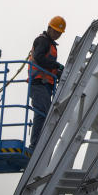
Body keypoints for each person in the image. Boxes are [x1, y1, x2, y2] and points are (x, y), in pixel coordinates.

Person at [28, 15, 66, 150]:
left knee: (45, 113)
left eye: (59, 33)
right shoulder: (42, 41)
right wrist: (56, 65)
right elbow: (39, 58)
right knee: (42, 112)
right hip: (39, 83)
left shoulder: (50, 44)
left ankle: (39, 145)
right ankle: (36, 146)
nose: (57, 35)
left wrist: (62, 73)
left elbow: (49, 66)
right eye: (55, 31)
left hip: (46, 85)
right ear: (49, 28)